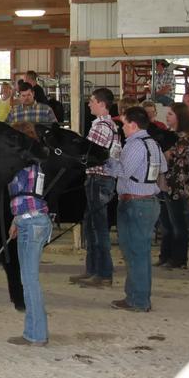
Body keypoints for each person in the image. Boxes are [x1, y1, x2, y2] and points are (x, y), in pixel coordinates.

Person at [104, 106, 167, 312]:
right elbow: (163, 169)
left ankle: (139, 300)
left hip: (135, 203)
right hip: (148, 200)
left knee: (135, 253)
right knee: (139, 252)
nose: (122, 128)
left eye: (123, 124)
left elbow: (122, 170)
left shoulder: (134, 145)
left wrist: (109, 162)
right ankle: (135, 296)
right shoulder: (153, 144)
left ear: (133, 124)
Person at [6, 121, 51, 347]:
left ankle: (37, 335)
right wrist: (16, 220)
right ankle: (32, 332)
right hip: (30, 220)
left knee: (30, 280)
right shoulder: (33, 162)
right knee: (28, 279)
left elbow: (23, 193)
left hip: (32, 222)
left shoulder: (23, 163)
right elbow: (27, 196)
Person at [71, 88, 121, 288]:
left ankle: (103, 273)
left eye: (91, 101)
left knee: (98, 227)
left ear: (101, 104)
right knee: (92, 225)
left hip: (99, 178)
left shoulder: (101, 126)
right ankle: (93, 270)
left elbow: (90, 155)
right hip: (99, 178)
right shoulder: (105, 124)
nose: (89, 104)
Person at [157, 102, 189, 269]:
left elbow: (173, 156)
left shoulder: (185, 137)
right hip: (164, 183)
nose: (167, 116)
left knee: (177, 223)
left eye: (171, 114)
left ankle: (179, 258)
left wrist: (162, 150)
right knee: (166, 223)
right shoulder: (169, 135)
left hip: (176, 185)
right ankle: (166, 255)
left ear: (179, 117)